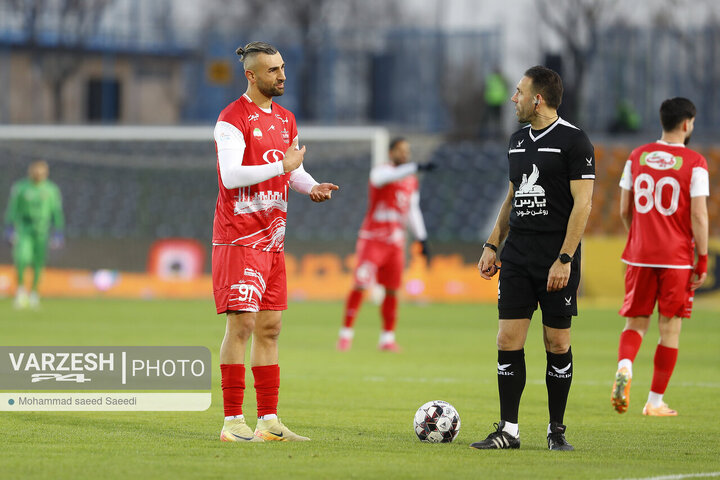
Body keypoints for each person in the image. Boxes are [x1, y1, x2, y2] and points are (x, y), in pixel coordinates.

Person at [212, 41, 339, 443]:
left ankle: (268, 421)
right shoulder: (231, 119)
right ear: (251, 75)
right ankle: (233, 421)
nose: (282, 75)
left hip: (273, 239)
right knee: (243, 324)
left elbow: (291, 170)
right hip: (239, 238)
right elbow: (232, 176)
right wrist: (280, 165)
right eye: (272, 70)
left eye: (282, 68)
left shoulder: (286, 118)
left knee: (270, 328)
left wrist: (310, 184)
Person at [471, 66, 595, 451]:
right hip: (519, 256)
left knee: (557, 342)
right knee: (508, 339)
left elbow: (583, 205)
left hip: (555, 257)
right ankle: (508, 430)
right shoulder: (516, 141)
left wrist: (565, 257)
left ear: (537, 98)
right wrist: (492, 245)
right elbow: (511, 199)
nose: (513, 98)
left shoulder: (575, 142)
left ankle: (556, 430)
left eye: (519, 91)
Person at [611, 97, 709, 417]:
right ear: (686, 124)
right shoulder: (695, 163)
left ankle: (624, 367)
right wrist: (703, 257)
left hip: (640, 254)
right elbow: (699, 215)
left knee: (635, 322)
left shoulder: (637, 156)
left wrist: (638, 237)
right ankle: (654, 402)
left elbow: (624, 209)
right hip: (677, 258)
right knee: (670, 330)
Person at [336, 137, 434, 352]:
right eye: (400, 150)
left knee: (391, 290)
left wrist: (422, 238)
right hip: (373, 239)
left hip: (396, 242)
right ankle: (346, 335)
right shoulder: (380, 172)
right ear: (391, 153)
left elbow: (412, 210)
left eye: (407, 151)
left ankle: (387, 339)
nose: (404, 154)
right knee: (361, 284)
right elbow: (386, 178)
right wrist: (414, 167)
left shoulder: (411, 180)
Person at [3, 160, 64, 309]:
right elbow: (13, 208)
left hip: (42, 229)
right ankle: (21, 290)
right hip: (24, 227)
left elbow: (56, 210)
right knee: (22, 258)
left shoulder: (51, 189)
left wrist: (58, 230)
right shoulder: (21, 188)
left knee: (38, 262)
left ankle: (34, 293)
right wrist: (9, 225)